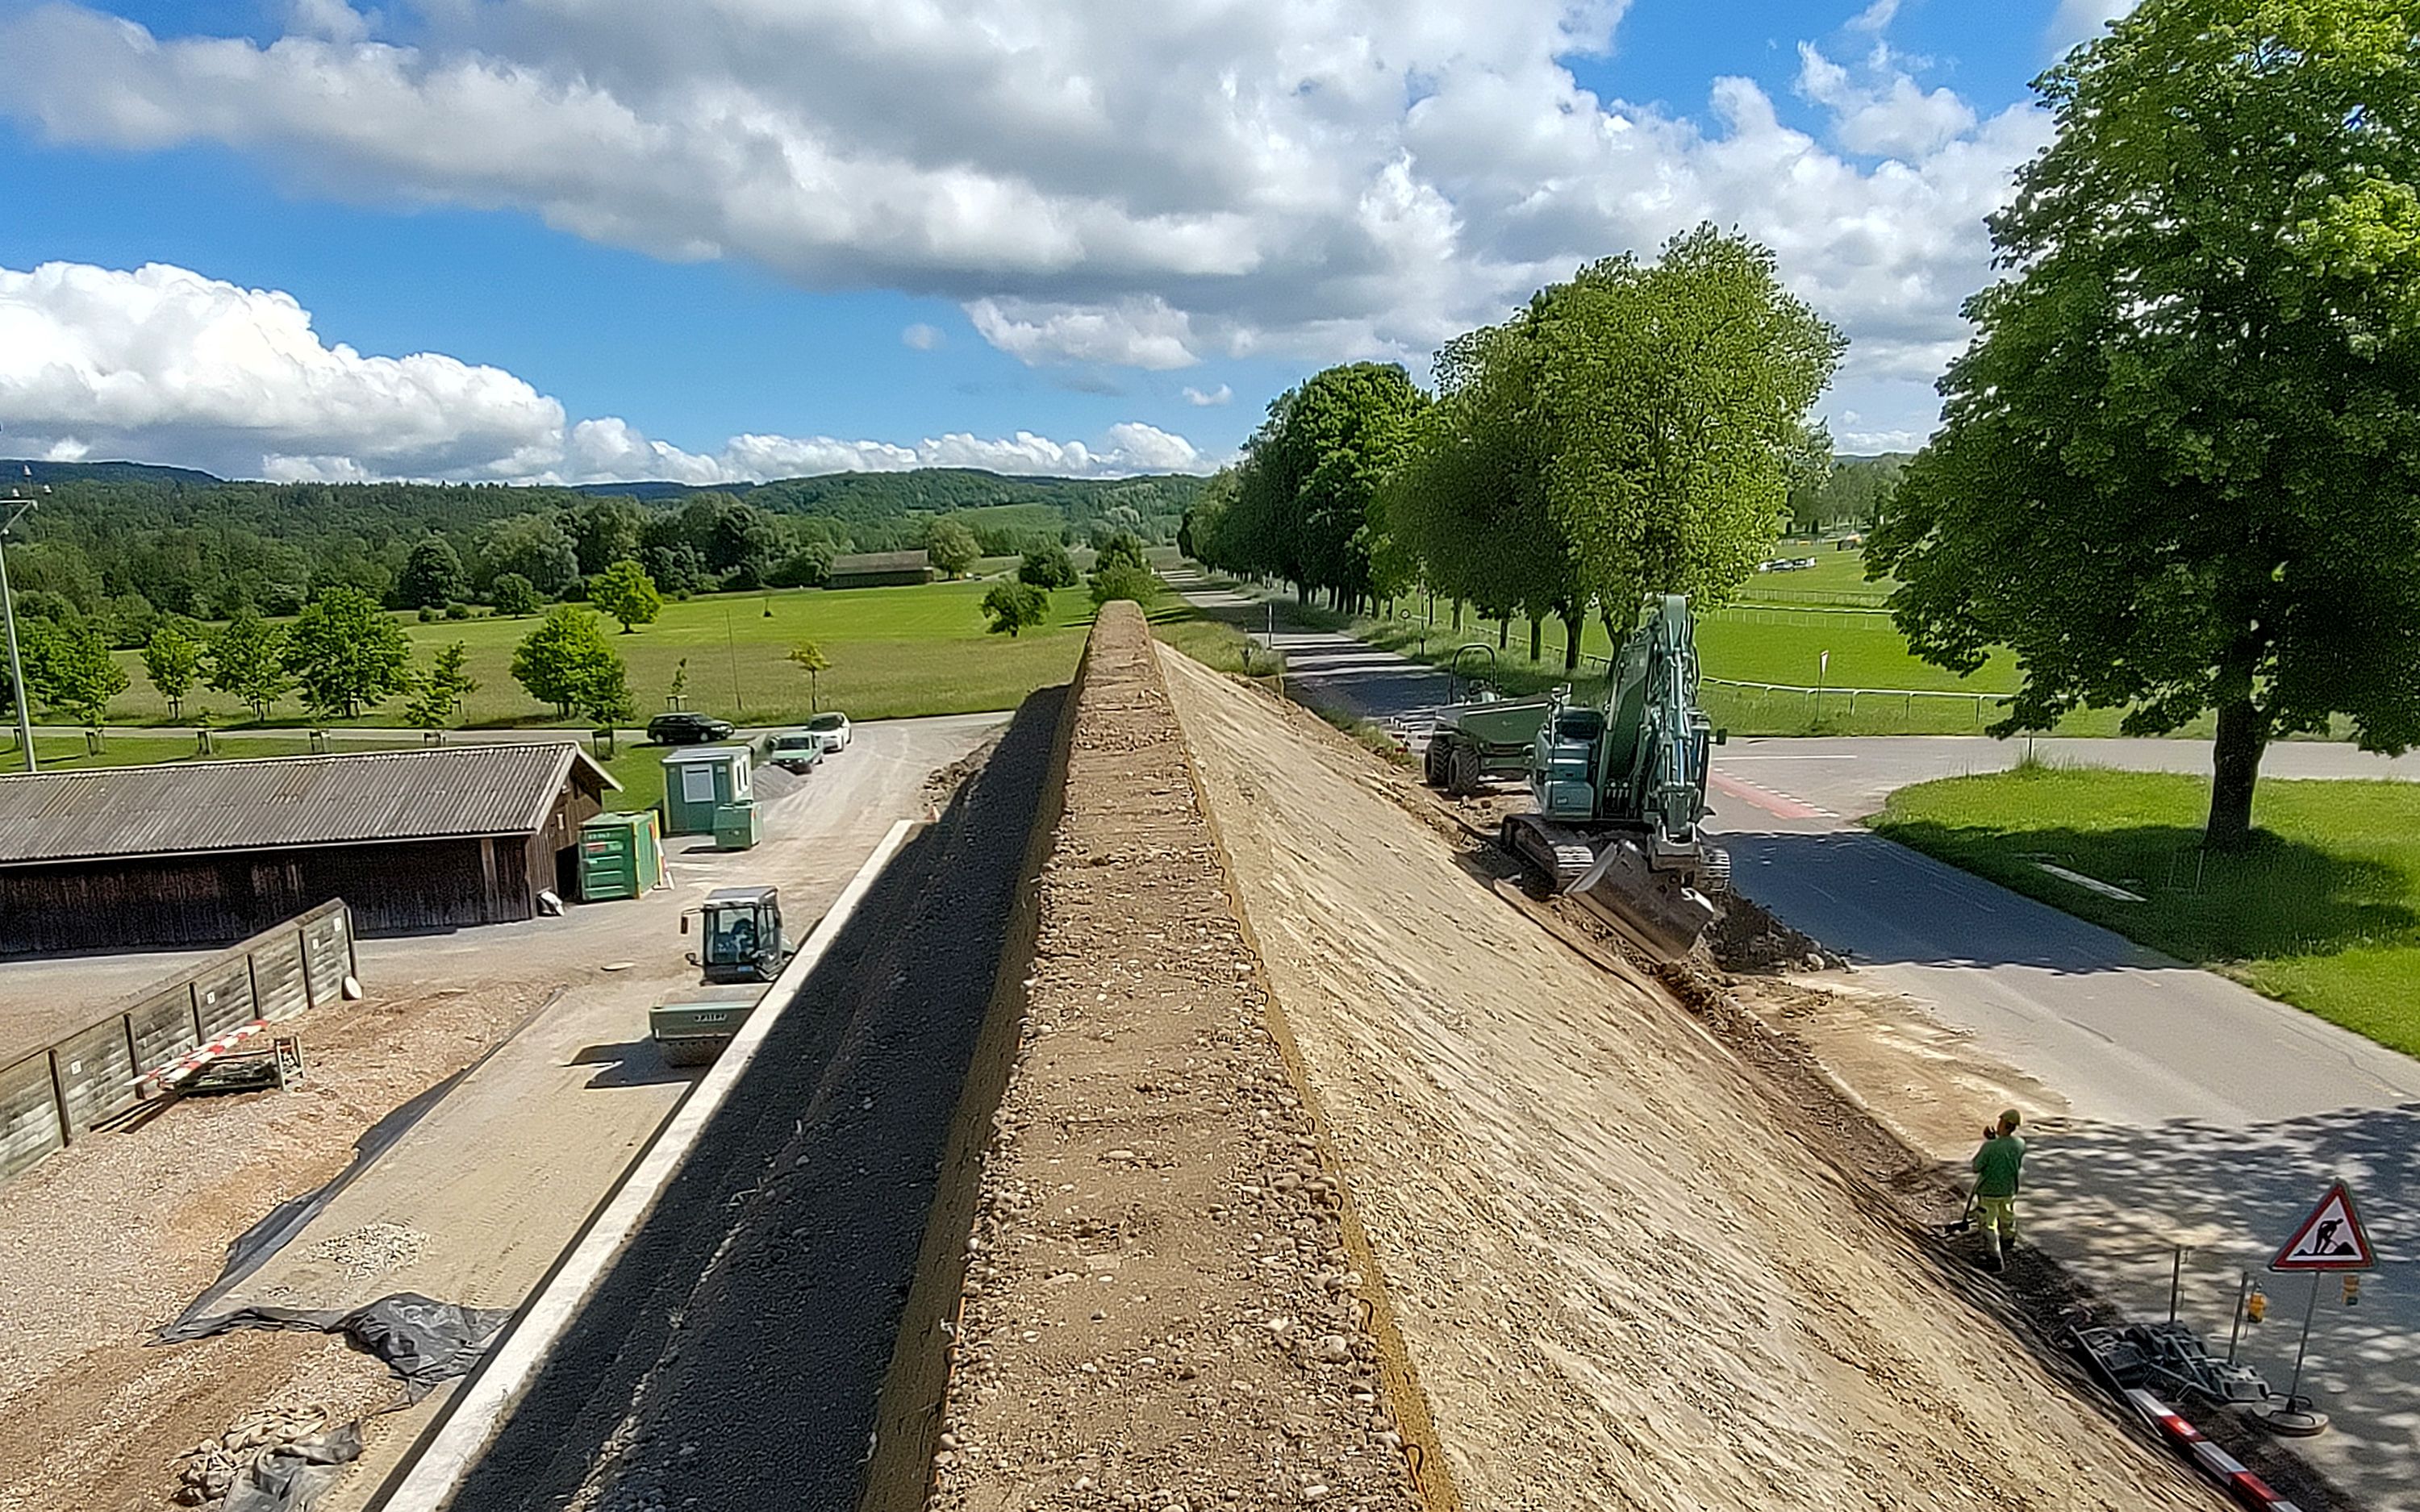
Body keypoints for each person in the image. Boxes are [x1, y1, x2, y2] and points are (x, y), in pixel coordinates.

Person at [1969, 1108, 2026, 1272]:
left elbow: (1976, 1167)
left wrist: (1990, 1142)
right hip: (2009, 1189)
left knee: (1989, 1222)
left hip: (1989, 1190)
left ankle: (1994, 1258)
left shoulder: (1990, 1147)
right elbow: (2006, 1153)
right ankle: (2008, 1240)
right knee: (2007, 1213)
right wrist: (1995, 1140)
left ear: (2004, 1124)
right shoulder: (2020, 1144)